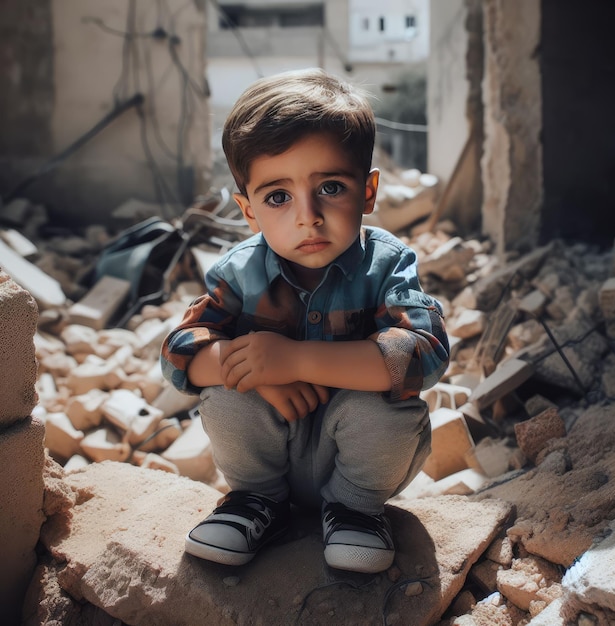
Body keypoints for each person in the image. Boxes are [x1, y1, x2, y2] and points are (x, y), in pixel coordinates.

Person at [160, 68, 449, 574]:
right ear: (248, 211)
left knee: (389, 408)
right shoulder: (238, 270)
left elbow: (423, 355)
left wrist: (294, 358)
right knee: (226, 394)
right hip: (270, 461)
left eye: (331, 187)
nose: (307, 216)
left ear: (368, 191)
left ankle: (356, 511)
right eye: (278, 197)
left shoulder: (387, 263)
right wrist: (254, 370)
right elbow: (178, 352)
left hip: (361, 459)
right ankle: (256, 504)